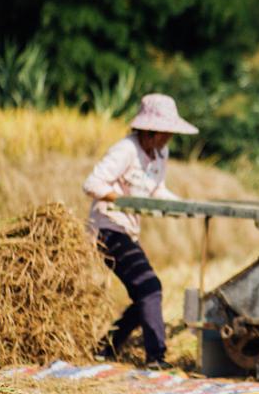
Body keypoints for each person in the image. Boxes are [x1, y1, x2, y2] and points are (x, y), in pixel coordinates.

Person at [83, 93, 198, 370]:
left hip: (128, 229)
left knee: (145, 290)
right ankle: (155, 357)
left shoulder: (160, 154)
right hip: (107, 228)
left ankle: (105, 348)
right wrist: (123, 201)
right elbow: (93, 183)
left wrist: (182, 206)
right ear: (150, 130)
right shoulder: (125, 150)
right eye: (165, 132)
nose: (169, 138)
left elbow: (155, 189)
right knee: (150, 287)